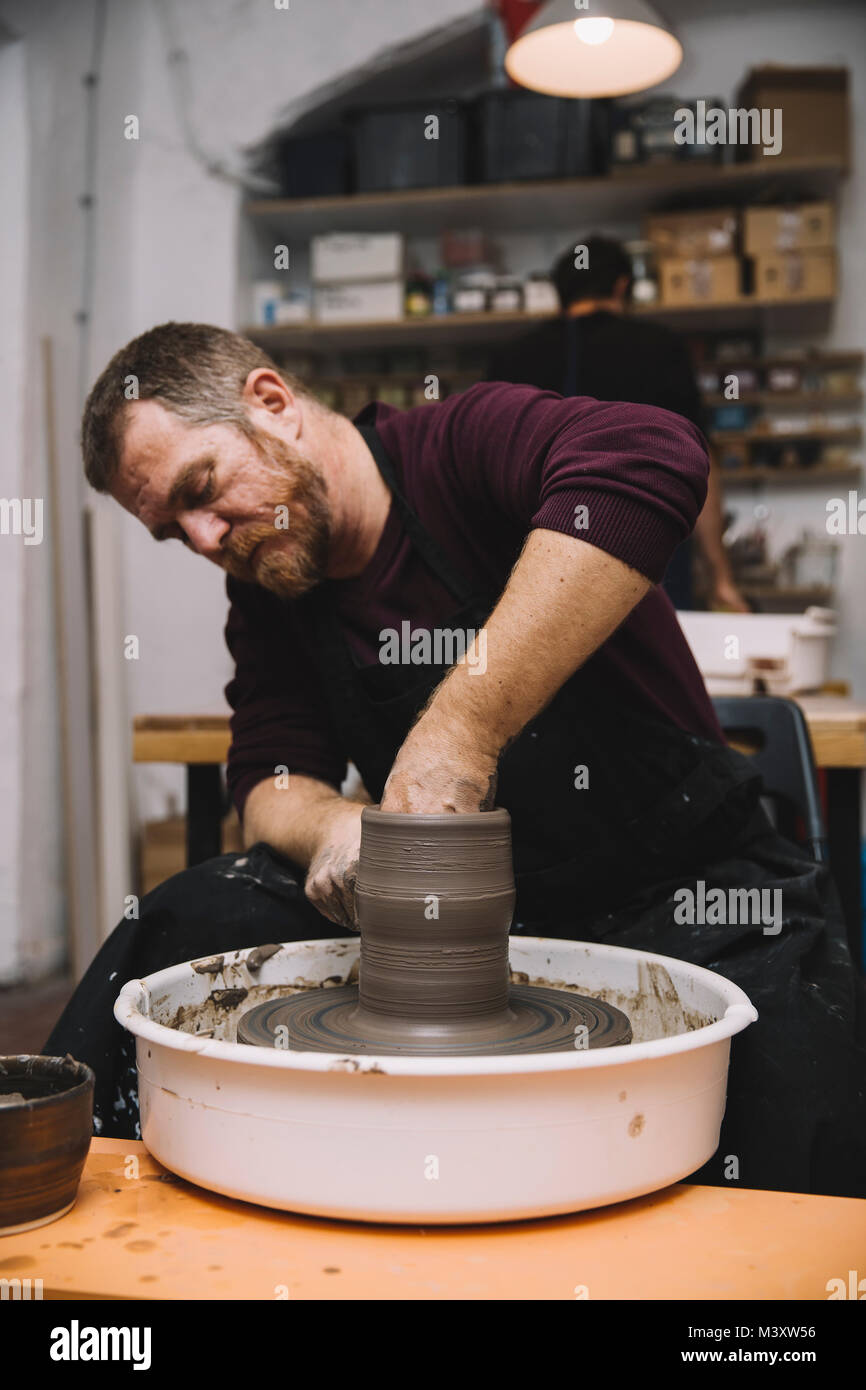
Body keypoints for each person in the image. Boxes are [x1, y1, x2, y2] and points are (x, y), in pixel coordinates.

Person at [45, 322, 863, 1198]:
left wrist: (459, 731)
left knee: (795, 1117)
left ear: (272, 403)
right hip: (464, 927)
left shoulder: (458, 447)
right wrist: (331, 828)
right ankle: (65, 1192)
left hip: (683, 887)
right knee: (184, 916)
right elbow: (267, 775)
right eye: (175, 531)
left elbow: (650, 453)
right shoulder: (269, 589)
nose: (206, 539)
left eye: (200, 491)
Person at [489, 235, 748, 613]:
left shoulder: (510, 359)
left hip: (530, 570)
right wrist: (721, 578)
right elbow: (699, 466)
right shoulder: (659, 347)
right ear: (622, 286)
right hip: (646, 565)